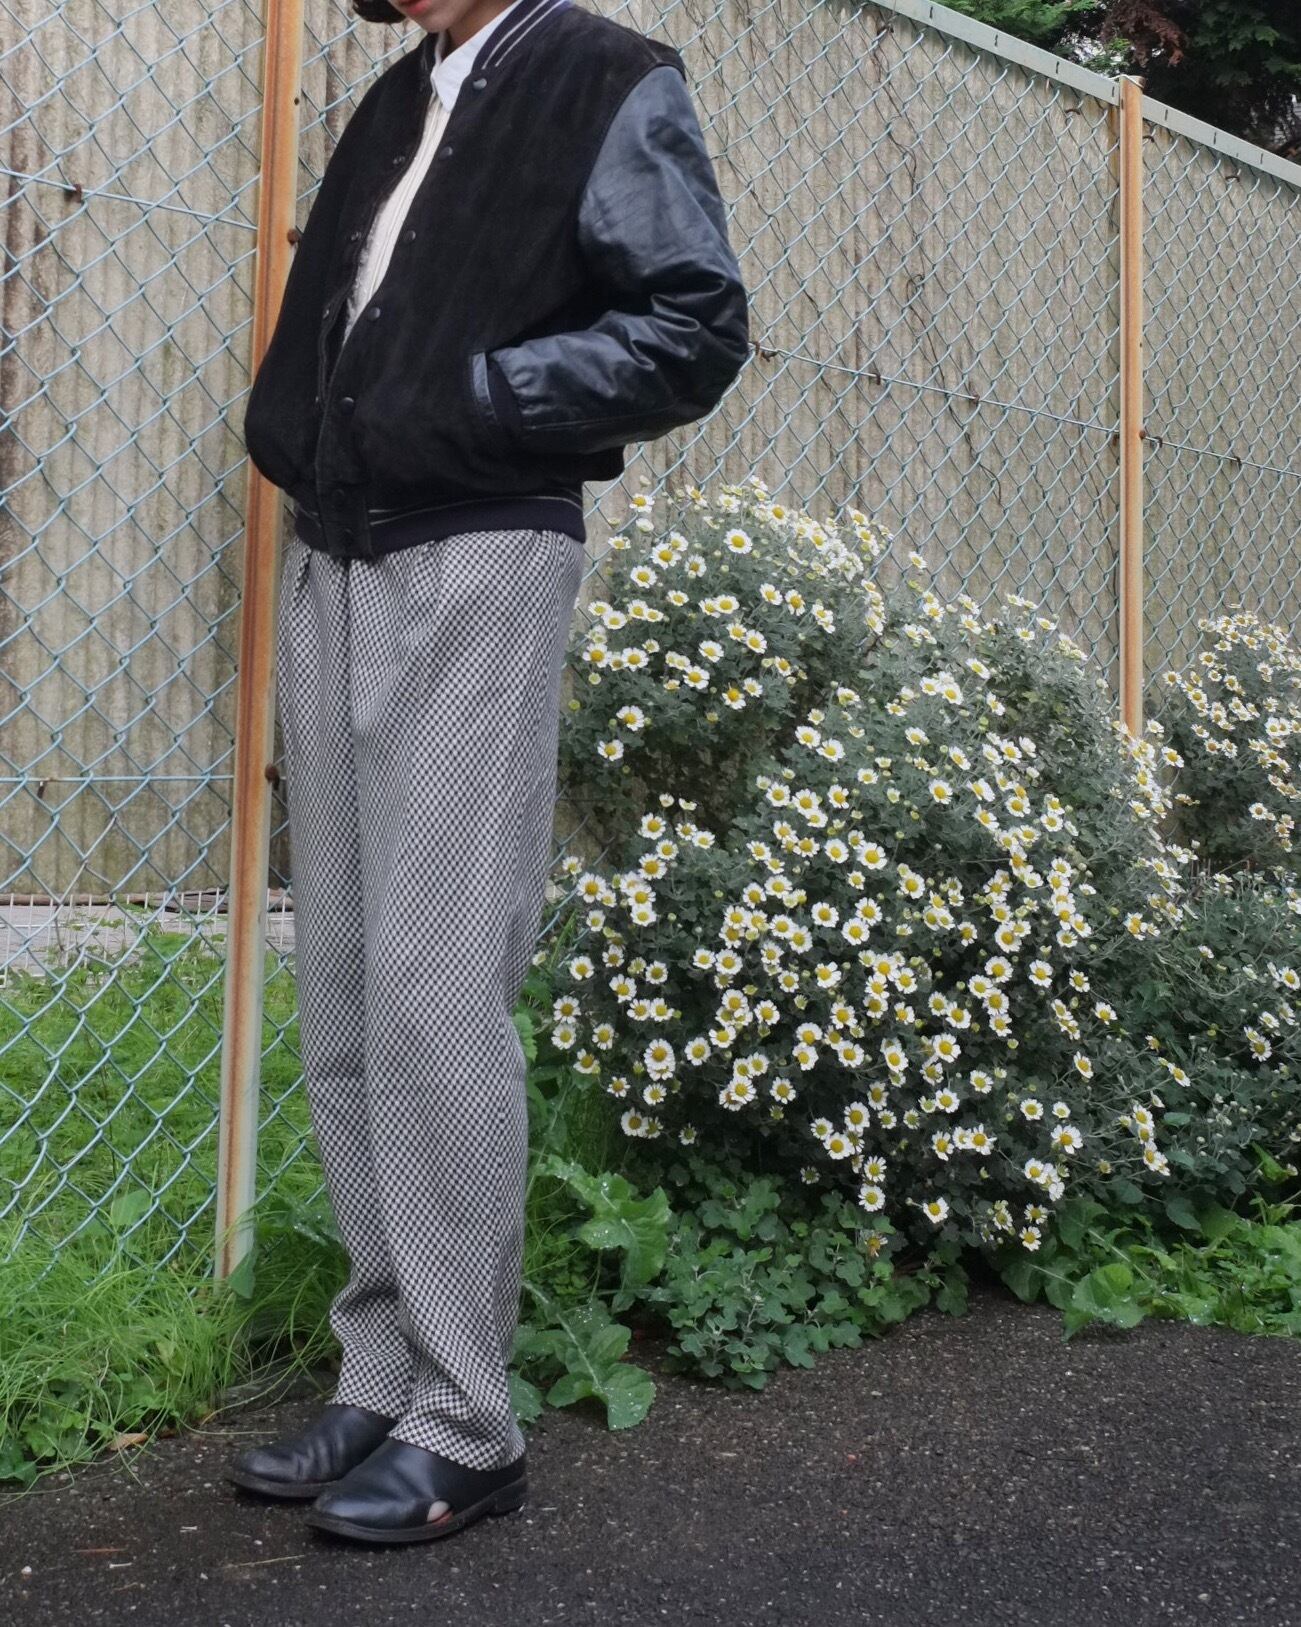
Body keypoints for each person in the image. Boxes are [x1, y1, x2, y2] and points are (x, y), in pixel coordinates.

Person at [228, 0, 749, 1546]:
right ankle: (381, 1375)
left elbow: (691, 324)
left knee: (438, 987)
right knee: (345, 986)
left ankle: (467, 1419)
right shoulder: (399, 95)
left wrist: (474, 402)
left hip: (476, 550)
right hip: (334, 551)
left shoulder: (605, 78)